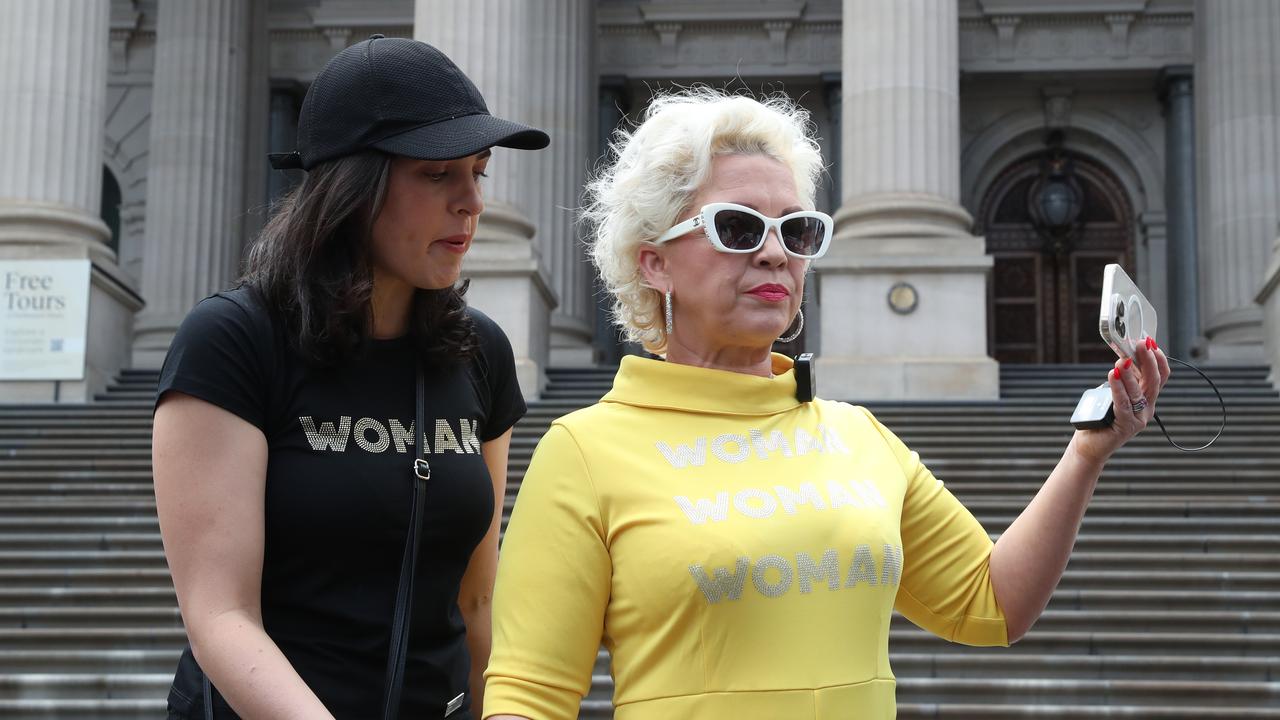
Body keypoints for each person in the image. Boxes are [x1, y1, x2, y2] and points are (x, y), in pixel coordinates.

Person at [481, 89, 1170, 720]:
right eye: (739, 228)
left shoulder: (858, 435)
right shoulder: (584, 452)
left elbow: (992, 603)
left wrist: (1088, 452)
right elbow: (529, 694)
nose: (776, 252)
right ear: (653, 261)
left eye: (798, 230)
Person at [152, 35, 548, 720]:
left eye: (477, 172)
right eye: (437, 174)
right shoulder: (233, 340)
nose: (471, 202)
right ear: (352, 188)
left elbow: (477, 600)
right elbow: (221, 616)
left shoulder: (479, 351)